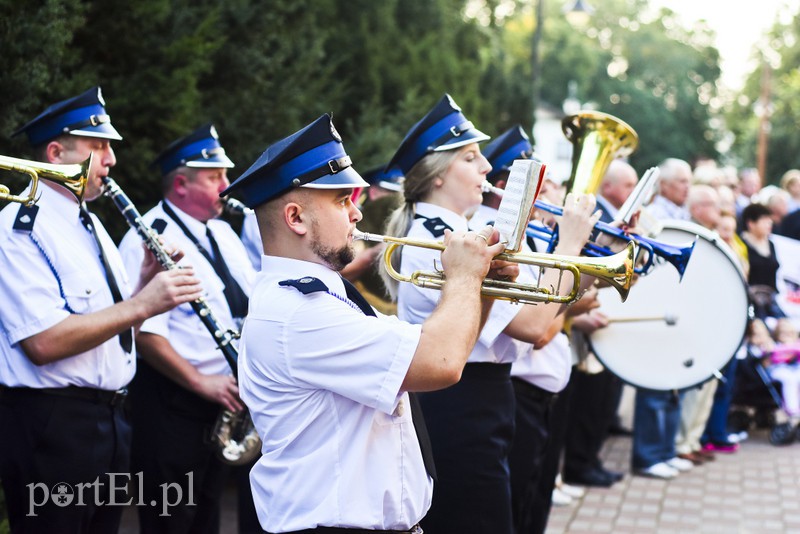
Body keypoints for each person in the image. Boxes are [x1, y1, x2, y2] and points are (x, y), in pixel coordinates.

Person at [219, 113, 513, 533]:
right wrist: (465, 277)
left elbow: (436, 347)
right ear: (295, 218)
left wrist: (481, 287)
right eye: (342, 200)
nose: (357, 213)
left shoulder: (323, 296)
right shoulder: (300, 311)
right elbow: (441, 360)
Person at [383, 96, 599, 534]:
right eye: (470, 156)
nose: (485, 167)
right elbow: (536, 326)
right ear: (439, 173)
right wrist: (571, 244)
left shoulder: (455, 235)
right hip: (461, 407)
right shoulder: (442, 241)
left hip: (479, 400)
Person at [0, 87, 203, 533]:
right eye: (98, 146)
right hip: (53, 425)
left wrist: (145, 283)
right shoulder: (21, 226)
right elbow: (43, 341)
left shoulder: (89, 223)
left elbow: (106, 317)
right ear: (56, 152)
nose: (111, 160)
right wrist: (143, 303)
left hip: (108, 421)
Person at [117, 124, 256, 533]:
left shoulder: (223, 233)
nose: (226, 186)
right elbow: (142, 331)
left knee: (208, 518)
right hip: (174, 403)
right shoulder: (150, 237)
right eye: (215, 177)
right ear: (180, 184)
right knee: (172, 521)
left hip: (223, 404)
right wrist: (201, 382)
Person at [477, 126, 600, 533]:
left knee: (533, 507)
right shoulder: (494, 238)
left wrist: (593, 265)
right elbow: (538, 328)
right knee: (516, 512)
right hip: (517, 393)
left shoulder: (528, 240)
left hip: (537, 394)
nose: (547, 199)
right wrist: (570, 249)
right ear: (506, 189)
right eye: (539, 189)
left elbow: (555, 304)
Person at [562, 159, 638, 491]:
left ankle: (587, 461)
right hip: (573, 322)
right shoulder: (596, 218)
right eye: (628, 184)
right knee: (584, 403)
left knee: (599, 401)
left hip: (589, 311)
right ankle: (579, 464)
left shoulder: (610, 219)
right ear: (608, 187)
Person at [674, 185, 724, 464]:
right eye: (712, 204)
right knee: (694, 388)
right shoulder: (689, 234)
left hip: (711, 318)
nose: (718, 210)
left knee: (707, 386)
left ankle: (692, 439)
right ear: (697, 209)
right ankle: (682, 442)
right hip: (695, 318)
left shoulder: (710, 233)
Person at [741, 203, 787, 323]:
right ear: (751, 223)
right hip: (751, 302)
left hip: (772, 301)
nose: (769, 223)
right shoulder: (741, 245)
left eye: (769, 220)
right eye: (764, 220)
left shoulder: (771, 244)